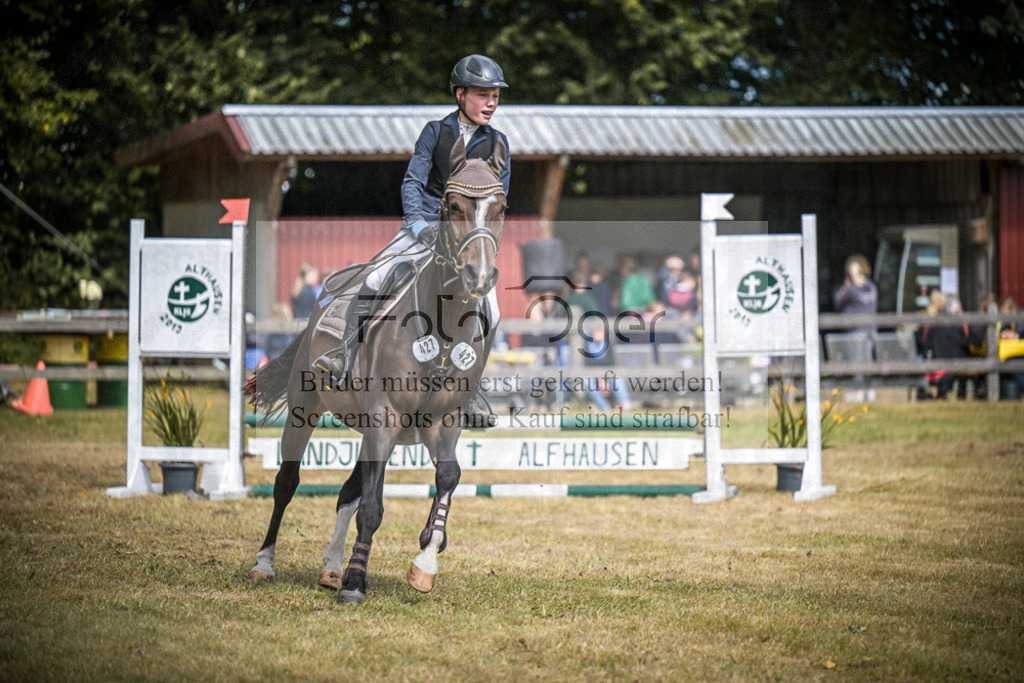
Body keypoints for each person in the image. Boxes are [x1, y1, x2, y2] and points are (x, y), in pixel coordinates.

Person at [311, 54, 510, 426]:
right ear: (459, 94)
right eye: (483, 94)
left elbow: (499, 200)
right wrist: (417, 224)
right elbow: (413, 182)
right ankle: (342, 355)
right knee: (374, 278)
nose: (491, 102)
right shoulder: (435, 132)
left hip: (465, 241)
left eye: (496, 95)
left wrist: (483, 239)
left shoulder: (498, 142)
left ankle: (471, 390)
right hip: (425, 230)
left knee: (493, 311)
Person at [832, 254, 878, 401]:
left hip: (857, 330)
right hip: (867, 329)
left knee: (858, 360)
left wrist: (846, 286)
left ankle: (859, 389)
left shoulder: (854, 289)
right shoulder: (870, 287)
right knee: (865, 359)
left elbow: (837, 299)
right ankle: (867, 389)